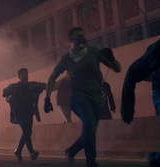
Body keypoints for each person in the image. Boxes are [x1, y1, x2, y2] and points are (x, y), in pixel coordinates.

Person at [44, 27, 121, 167]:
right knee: (90, 125)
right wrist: (47, 98)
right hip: (79, 98)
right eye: (77, 37)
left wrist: (112, 59)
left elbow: (117, 69)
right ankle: (91, 162)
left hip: (97, 98)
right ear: (70, 41)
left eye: (82, 36)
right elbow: (52, 78)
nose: (81, 39)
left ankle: (72, 151)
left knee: (90, 130)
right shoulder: (66, 59)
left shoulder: (93, 52)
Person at [120, 37, 160, 167]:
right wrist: (127, 105)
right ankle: (157, 159)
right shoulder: (159, 48)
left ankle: (158, 159)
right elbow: (133, 72)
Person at [3, 68, 45, 162]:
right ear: (19, 76)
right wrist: (7, 99)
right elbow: (4, 93)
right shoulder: (13, 86)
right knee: (26, 131)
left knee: (28, 132)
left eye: (26, 74)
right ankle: (32, 152)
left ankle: (18, 151)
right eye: (23, 74)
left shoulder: (31, 86)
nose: (26, 76)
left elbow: (40, 90)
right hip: (18, 113)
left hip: (29, 112)